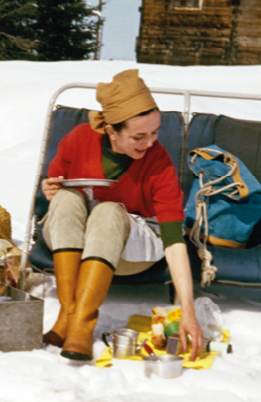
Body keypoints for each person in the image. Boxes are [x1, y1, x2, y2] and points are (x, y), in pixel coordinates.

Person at [38, 68, 204, 362]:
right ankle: (68, 314)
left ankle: (82, 325)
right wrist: (49, 187)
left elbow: (173, 240)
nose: (150, 142)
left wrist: (187, 312)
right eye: (139, 136)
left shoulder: (158, 161)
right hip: (76, 241)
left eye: (155, 132)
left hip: (130, 251)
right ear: (111, 130)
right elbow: (55, 183)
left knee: (108, 211)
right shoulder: (78, 140)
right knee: (65, 198)